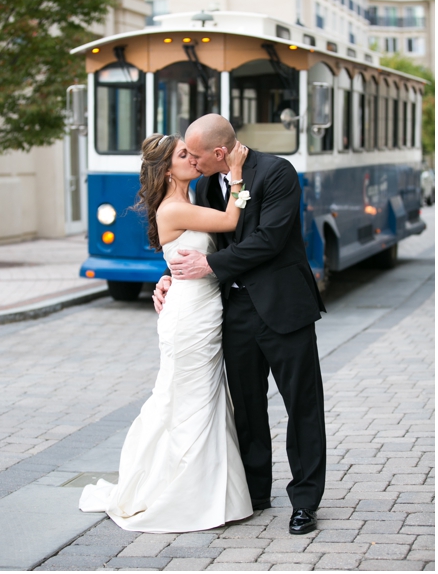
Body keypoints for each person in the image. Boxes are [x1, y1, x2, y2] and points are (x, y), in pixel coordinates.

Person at [159, 113, 327, 535]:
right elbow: (200, 238)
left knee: (301, 406)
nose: (191, 163)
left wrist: (209, 264)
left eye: (195, 156)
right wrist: (168, 276)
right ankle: (254, 493)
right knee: (247, 408)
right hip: (234, 312)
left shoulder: (277, 172)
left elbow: (269, 239)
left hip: (284, 308)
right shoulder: (202, 185)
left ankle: (304, 501)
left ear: (219, 152)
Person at [80, 133, 253, 532]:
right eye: (183, 154)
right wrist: (238, 176)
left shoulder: (189, 201)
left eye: (192, 153)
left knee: (198, 397)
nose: (192, 158)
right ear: (166, 168)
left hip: (201, 309)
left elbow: (186, 256)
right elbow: (230, 220)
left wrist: (166, 276)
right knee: (188, 397)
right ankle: (182, 492)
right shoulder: (173, 208)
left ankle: (211, 492)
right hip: (190, 317)